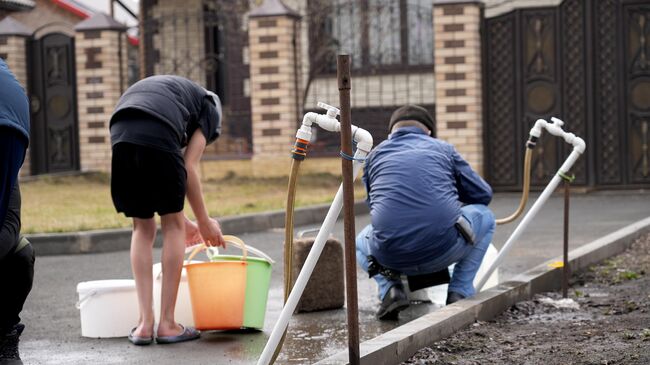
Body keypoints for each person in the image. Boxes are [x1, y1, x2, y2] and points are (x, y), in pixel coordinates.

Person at [110, 75, 226, 345]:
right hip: (158, 128)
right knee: (172, 227)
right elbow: (188, 167)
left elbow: (156, 162)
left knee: (143, 227)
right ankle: (167, 324)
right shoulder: (209, 109)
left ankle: (143, 324)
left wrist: (182, 217)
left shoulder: (177, 94)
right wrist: (204, 221)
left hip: (121, 131)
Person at [356, 105, 495, 320]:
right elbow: (483, 194)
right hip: (443, 250)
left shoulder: (374, 156)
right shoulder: (444, 149)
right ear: (429, 131)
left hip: (390, 255)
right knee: (486, 216)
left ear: (392, 132)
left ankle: (391, 290)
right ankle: (460, 291)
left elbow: (374, 204)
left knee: (358, 241)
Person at [0, 59, 35, 364]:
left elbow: (11, 223)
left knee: (22, 252)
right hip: (12, 119)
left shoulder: (7, 177)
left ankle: (6, 337)